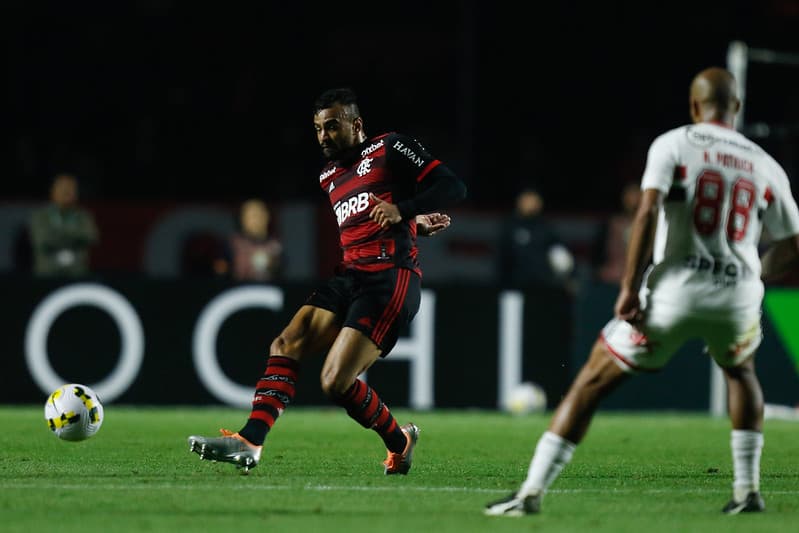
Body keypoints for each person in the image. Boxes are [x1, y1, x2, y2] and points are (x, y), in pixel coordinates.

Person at [484, 66, 799, 517]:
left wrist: (629, 287)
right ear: (737, 108)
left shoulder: (674, 144)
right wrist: (756, 280)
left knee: (591, 380)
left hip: (674, 292)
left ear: (694, 106)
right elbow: (794, 245)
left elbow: (647, 212)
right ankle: (748, 491)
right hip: (737, 294)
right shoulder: (764, 162)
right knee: (741, 371)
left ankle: (530, 493)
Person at [188, 87, 467, 474]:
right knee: (286, 342)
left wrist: (405, 209)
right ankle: (250, 441)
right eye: (319, 128)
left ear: (357, 125)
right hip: (350, 276)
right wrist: (412, 220)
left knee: (335, 382)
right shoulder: (329, 175)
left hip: (389, 278)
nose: (324, 136)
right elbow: (370, 216)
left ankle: (400, 442)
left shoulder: (389, 147)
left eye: (333, 126)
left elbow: (452, 186)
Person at [496, 186, 574, 289]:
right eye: (527, 199)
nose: (530, 203)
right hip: (514, 286)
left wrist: (568, 277)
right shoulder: (509, 226)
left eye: (534, 200)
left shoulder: (546, 228)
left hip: (543, 285)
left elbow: (560, 254)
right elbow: (501, 258)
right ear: (519, 201)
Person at [29, 173, 100, 277]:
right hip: (47, 274)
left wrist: (57, 233)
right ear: (53, 191)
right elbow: (42, 240)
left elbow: (92, 237)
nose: (67, 192)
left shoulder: (83, 216)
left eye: (71, 188)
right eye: (62, 188)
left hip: (77, 273)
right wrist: (75, 237)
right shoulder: (40, 216)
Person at [214, 198, 284, 282]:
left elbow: (281, 272)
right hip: (238, 290)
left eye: (258, 215)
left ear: (267, 217)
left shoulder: (275, 246)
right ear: (242, 219)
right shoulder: (233, 244)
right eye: (250, 216)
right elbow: (221, 268)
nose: (255, 220)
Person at [592, 182, 642, 283]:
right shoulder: (614, 224)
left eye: (637, 194)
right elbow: (599, 254)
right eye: (629, 195)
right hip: (613, 276)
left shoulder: (651, 225)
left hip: (637, 277)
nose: (634, 199)